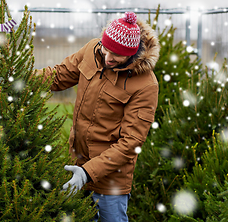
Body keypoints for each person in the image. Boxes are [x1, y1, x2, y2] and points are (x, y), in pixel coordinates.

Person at [38, 12, 160, 221]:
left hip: (110, 183)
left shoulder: (146, 85)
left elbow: (130, 143)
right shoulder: (92, 50)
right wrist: (17, 76)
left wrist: (87, 173)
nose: (107, 58)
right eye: (106, 49)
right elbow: (58, 75)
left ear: (132, 54)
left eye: (116, 55)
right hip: (76, 166)